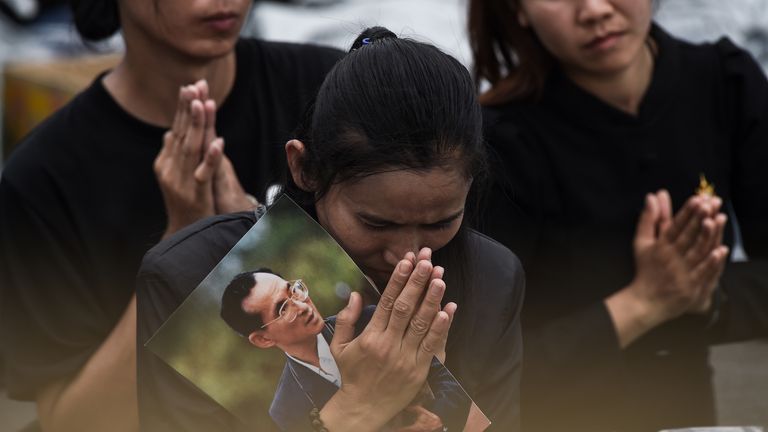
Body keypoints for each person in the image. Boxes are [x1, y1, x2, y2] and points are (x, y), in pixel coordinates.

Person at [136, 27, 524, 432]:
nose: (408, 255)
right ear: (305, 169)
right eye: (375, 222)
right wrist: (353, 411)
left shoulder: (492, 278)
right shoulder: (186, 276)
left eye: (440, 222)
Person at [0, 0, 342, 430]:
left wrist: (251, 231)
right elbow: (75, 421)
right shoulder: (43, 179)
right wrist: (184, 252)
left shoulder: (326, 90)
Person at [468, 0, 768, 430]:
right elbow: (480, 366)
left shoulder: (726, 80)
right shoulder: (497, 143)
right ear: (518, 10)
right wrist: (645, 303)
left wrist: (705, 297)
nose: (593, 10)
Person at [219, 270, 472, 432]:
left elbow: (452, 384)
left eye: (294, 290)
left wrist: (440, 421)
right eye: (283, 309)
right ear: (263, 339)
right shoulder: (285, 410)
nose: (302, 305)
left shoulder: (370, 322)